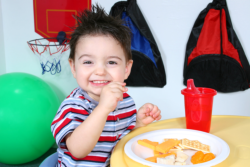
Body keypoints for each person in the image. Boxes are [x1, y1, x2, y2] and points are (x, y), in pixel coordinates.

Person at [51, 4, 162, 167]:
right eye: (88, 62)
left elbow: (123, 142)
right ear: (74, 67)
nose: (100, 71)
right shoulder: (72, 106)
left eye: (111, 62)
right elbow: (77, 150)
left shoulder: (125, 101)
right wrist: (103, 108)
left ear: (126, 69)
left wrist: (138, 124)